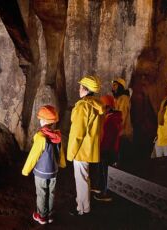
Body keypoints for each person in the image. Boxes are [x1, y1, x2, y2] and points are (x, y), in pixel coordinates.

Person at [22, 105, 66, 225]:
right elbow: (61, 152)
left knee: (41, 193)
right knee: (51, 193)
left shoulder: (41, 137)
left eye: (41, 119)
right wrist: (62, 164)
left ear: (45, 121)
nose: (40, 121)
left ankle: (41, 216)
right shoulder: (58, 136)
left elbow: (33, 156)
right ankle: (50, 215)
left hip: (41, 172)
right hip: (53, 171)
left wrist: (25, 170)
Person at [67, 76, 104, 216]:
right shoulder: (96, 104)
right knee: (85, 177)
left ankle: (82, 209)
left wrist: (71, 153)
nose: (79, 88)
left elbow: (78, 133)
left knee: (81, 179)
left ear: (86, 89)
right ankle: (82, 204)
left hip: (81, 149)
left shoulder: (83, 106)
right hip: (89, 148)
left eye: (81, 86)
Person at [93, 95, 122, 202]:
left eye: (103, 106)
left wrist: (100, 148)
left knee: (106, 172)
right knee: (105, 171)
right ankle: (102, 189)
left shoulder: (111, 120)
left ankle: (106, 193)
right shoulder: (113, 118)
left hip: (107, 150)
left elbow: (107, 138)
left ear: (108, 107)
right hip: (111, 150)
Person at [111, 77, 133, 162]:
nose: (113, 87)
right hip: (118, 132)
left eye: (115, 85)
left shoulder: (123, 98)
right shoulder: (117, 99)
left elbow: (122, 116)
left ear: (120, 86)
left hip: (123, 133)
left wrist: (116, 129)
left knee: (121, 158)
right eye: (112, 85)